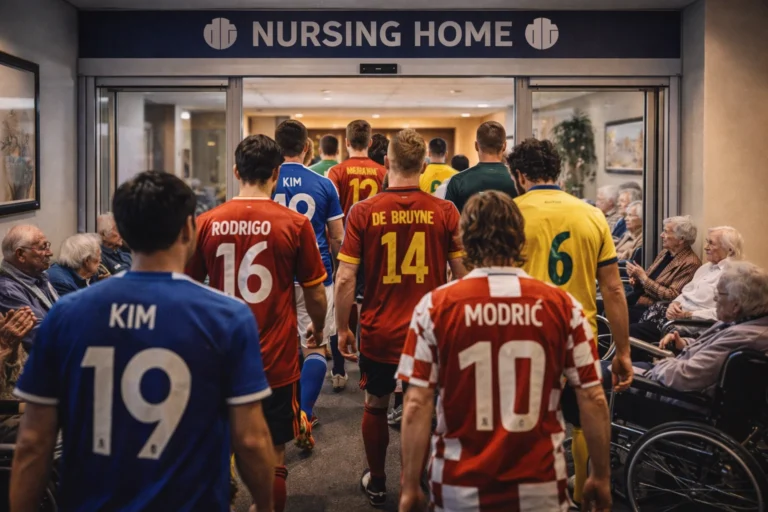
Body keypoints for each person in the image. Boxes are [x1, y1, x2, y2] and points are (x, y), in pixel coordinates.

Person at [11, 171, 276, 511]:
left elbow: (33, 442)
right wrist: (266, 505)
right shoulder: (227, 316)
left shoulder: (66, 315)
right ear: (188, 229)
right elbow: (250, 439)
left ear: (124, 233)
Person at [397, 191, 612, 512]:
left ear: (465, 240)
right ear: (519, 238)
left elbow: (416, 403)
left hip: (459, 486)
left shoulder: (435, 306)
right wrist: (601, 475)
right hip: (540, 484)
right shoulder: (563, 306)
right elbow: (593, 397)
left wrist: (410, 485)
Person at [186, 135, 328, 512]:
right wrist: (317, 328)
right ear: (276, 174)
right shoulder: (295, 223)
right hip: (275, 360)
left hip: (219, 357)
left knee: (218, 443)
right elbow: (315, 292)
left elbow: (186, 288)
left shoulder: (206, 222)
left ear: (236, 172)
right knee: (274, 448)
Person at [334, 128, 467, 506]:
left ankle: (377, 482)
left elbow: (345, 278)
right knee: (420, 406)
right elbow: (463, 277)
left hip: (379, 329)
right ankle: (415, 483)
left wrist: (342, 327)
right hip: (428, 332)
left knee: (375, 404)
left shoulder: (363, 212)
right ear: (423, 165)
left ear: (386, 162)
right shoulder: (446, 211)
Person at [507, 138, 632, 507]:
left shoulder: (511, 213)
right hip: (579, 333)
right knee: (582, 419)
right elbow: (613, 288)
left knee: (526, 421)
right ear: (556, 171)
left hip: (525, 333)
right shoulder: (591, 215)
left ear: (520, 175)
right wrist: (623, 350)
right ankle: (583, 496)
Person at [273, 119, 344, 449]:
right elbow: (337, 237)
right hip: (314, 274)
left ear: (277, 147)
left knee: (276, 344)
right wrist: (341, 272)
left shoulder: (266, 181)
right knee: (314, 345)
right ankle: (305, 412)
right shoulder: (324, 183)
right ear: (306, 148)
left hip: (274, 274)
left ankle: (277, 410)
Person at [629, 226, 743, 343]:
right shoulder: (705, 268)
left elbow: (724, 313)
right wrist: (674, 304)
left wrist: (689, 315)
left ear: (729, 250)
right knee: (624, 321)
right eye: (706, 242)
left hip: (690, 325)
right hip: (670, 315)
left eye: (711, 243)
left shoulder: (733, 276)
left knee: (629, 330)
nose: (705, 247)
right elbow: (685, 293)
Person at [625, 215, 701, 322]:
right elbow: (650, 279)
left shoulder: (690, 263)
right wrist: (637, 279)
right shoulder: (665, 252)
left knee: (611, 314)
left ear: (681, 239)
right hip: (639, 299)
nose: (661, 235)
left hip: (653, 310)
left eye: (666, 232)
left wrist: (643, 279)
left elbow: (672, 296)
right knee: (606, 307)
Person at [0, 225, 57, 349]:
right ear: (21, 254)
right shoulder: (7, 290)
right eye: (43, 247)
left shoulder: (39, 275)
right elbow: (41, 336)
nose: (50, 253)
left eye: (48, 246)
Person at [444, 121, 518, 213]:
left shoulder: (458, 181)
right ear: (504, 146)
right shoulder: (518, 179)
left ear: (476, 146)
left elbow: (448, 218)